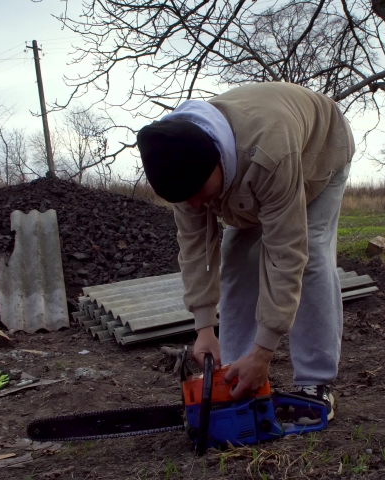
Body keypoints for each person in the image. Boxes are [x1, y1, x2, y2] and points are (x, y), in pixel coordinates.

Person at [136, 82, 354, 423]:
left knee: (310, 252)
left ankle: (315, 383)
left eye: (198, 193)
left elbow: (286, 252)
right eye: (185, 199)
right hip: (251, 169)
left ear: (217, 162)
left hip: (318, 151)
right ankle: (235, 372)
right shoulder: (180, 169)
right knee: (237, 252)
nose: (195, 204)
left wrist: (265, 350)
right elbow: (196, 253)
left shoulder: (270, 154)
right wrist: (204, 328)